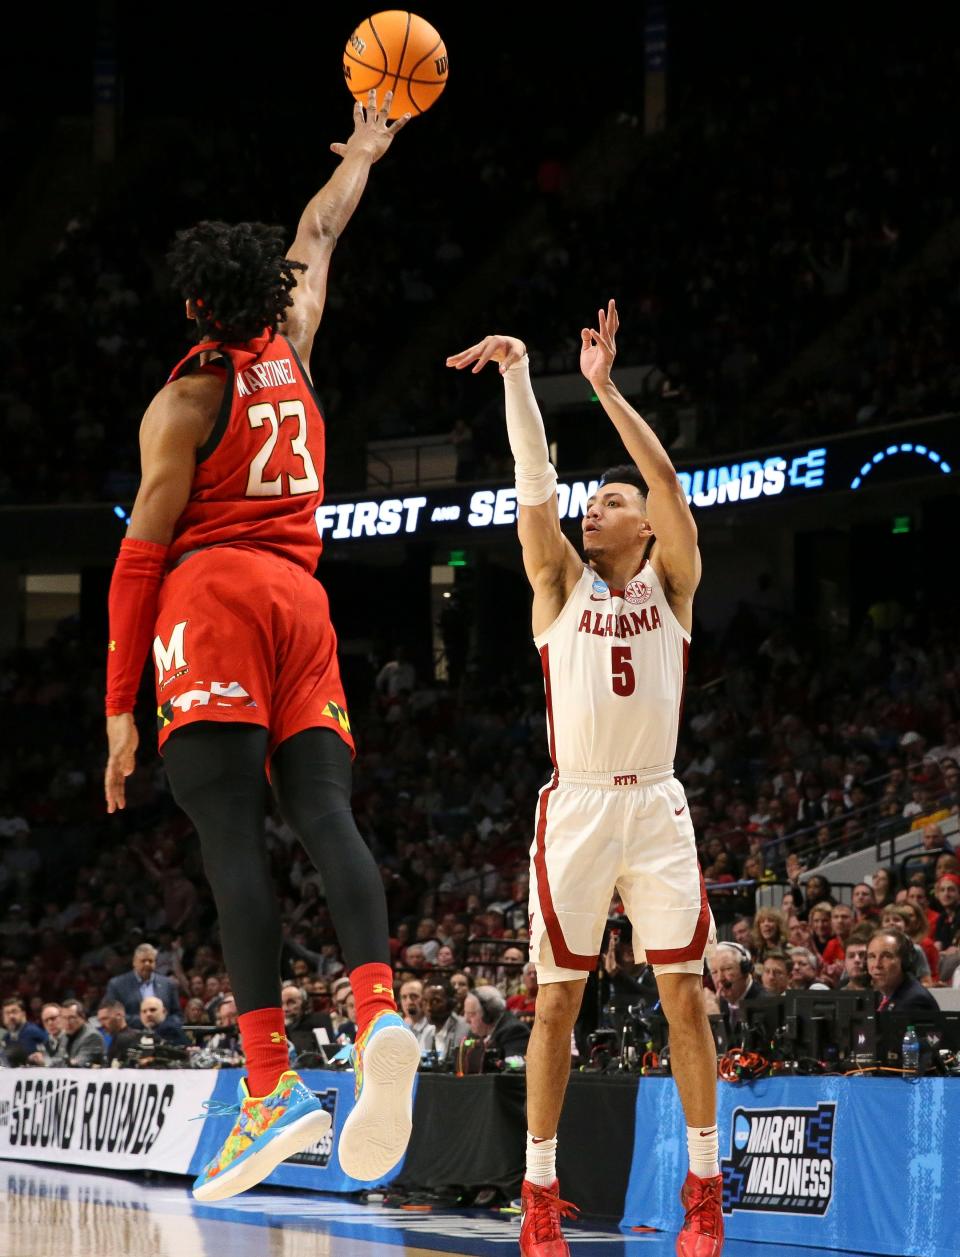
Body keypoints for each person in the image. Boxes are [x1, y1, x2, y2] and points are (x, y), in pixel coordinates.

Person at [102, 92, 418, 1200]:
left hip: (216, 597)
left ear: (195, 300)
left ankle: (270, 1085)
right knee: (324, 814)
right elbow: (320, 232)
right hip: (303, 602)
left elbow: (140, 560)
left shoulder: (184, 401)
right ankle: (381, 1008)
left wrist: (118, 709)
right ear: (265, 294)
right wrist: (366, 155)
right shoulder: (295, 339)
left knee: (231, 836)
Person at [448, 302, 722, 1256]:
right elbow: (534, 485)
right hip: (577, 803)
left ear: (645, 526)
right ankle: (537, 1191)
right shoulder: (558, 583)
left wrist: (605, 389)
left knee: (683, 991)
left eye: (610, 502)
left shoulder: (673, 579)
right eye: (592, 501)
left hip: (656, 800)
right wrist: (523, 376)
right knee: (556, 1000)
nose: (592, 508)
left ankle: (703, 1187)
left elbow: (667, 483)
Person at [104, 943, 182, 1026]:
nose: (147, 964)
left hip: (164, 1034)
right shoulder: (117, 984)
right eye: (143, 961)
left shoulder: (168, 984)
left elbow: (177, 1015)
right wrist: (147, 1019)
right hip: (131, 1035)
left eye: (150, 961)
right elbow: (113, 1014)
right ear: (134, 962)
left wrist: (164, 1022)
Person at [867, 929, 941, 1015]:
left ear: (904, 961)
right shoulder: (881, 995)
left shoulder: (915, 1001)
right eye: (872, 956)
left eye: (887, 956)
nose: (877, 965)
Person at [709, 943, 769, 1038]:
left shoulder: (766, 1005)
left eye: (727, 969)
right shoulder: (718, 1004)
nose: (720, 978)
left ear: (745, 970)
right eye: (714, 972)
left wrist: (716, 1019)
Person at [463, 986, 531, 1059]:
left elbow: (513, 1068)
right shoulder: (475, 1033)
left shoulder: (514, 1031)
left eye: (471, 1014)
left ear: (488, 1014)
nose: (466, 1020)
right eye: (465, 1013)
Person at [282, 983, 335, 1059]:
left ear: (304, 1003)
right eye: (282, 1003)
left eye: (291, 1002)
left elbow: (328, 1056)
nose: (285, 1008)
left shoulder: (320, 1020)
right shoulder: (279, 1029)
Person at [422, 980, 468, 1065]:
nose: (428, 1007)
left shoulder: (464, 1030)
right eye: (425, 1001)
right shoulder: (427, 1033)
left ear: (451, 1003)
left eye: (435, 1002)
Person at [50, 1000, 106, 1067]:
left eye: (72, 1017)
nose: (67, 1022)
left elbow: (79, 1063)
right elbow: (58, 1058)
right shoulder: (64, 1036)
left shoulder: (92, 1036)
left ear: (82, 1017)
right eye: (64, 1018)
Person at [1, 997, 47, 1066]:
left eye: (14, 1012)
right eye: (7, 1013)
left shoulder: (34, 1031)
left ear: (23, 1014)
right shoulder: (6, 1037)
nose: (11, 1016)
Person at [98, 999, 143, 1066]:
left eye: (105, 1018)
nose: (101, 1024)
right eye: (100, 1020)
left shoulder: (125, 1039)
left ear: (118, 1016)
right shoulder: (115, 1038)